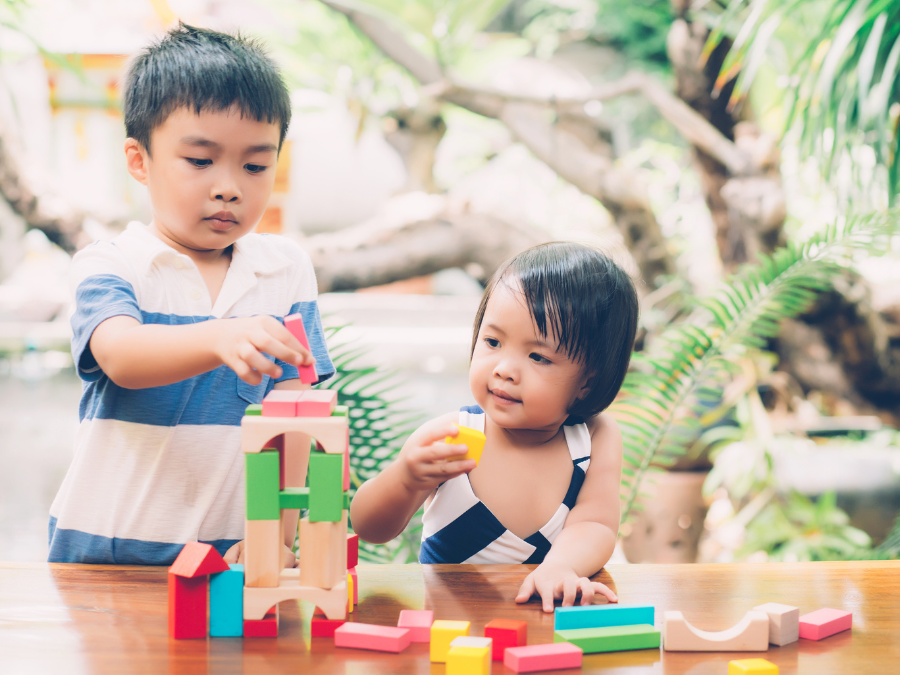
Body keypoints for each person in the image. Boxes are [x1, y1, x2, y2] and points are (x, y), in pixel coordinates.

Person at [47, 24, 333, 566]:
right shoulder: (112, 264)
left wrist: (280, 532)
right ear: (139, 159)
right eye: (200, 161)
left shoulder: (285, 270)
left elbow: (300, 411)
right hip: (106, 549)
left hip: (230, 553)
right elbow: (121, 356)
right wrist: (222, 336)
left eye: (255, 165)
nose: (229, 186)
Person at [350, 242, 639, 612]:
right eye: (492, 341)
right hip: (451, 640)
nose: (504, 368)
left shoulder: (593, 439)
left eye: (538, 356)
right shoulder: (452, 435)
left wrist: (561, 567)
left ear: (586, 381)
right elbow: (369, 528)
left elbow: (595, 524)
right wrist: (405, 479)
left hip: (540, 635)